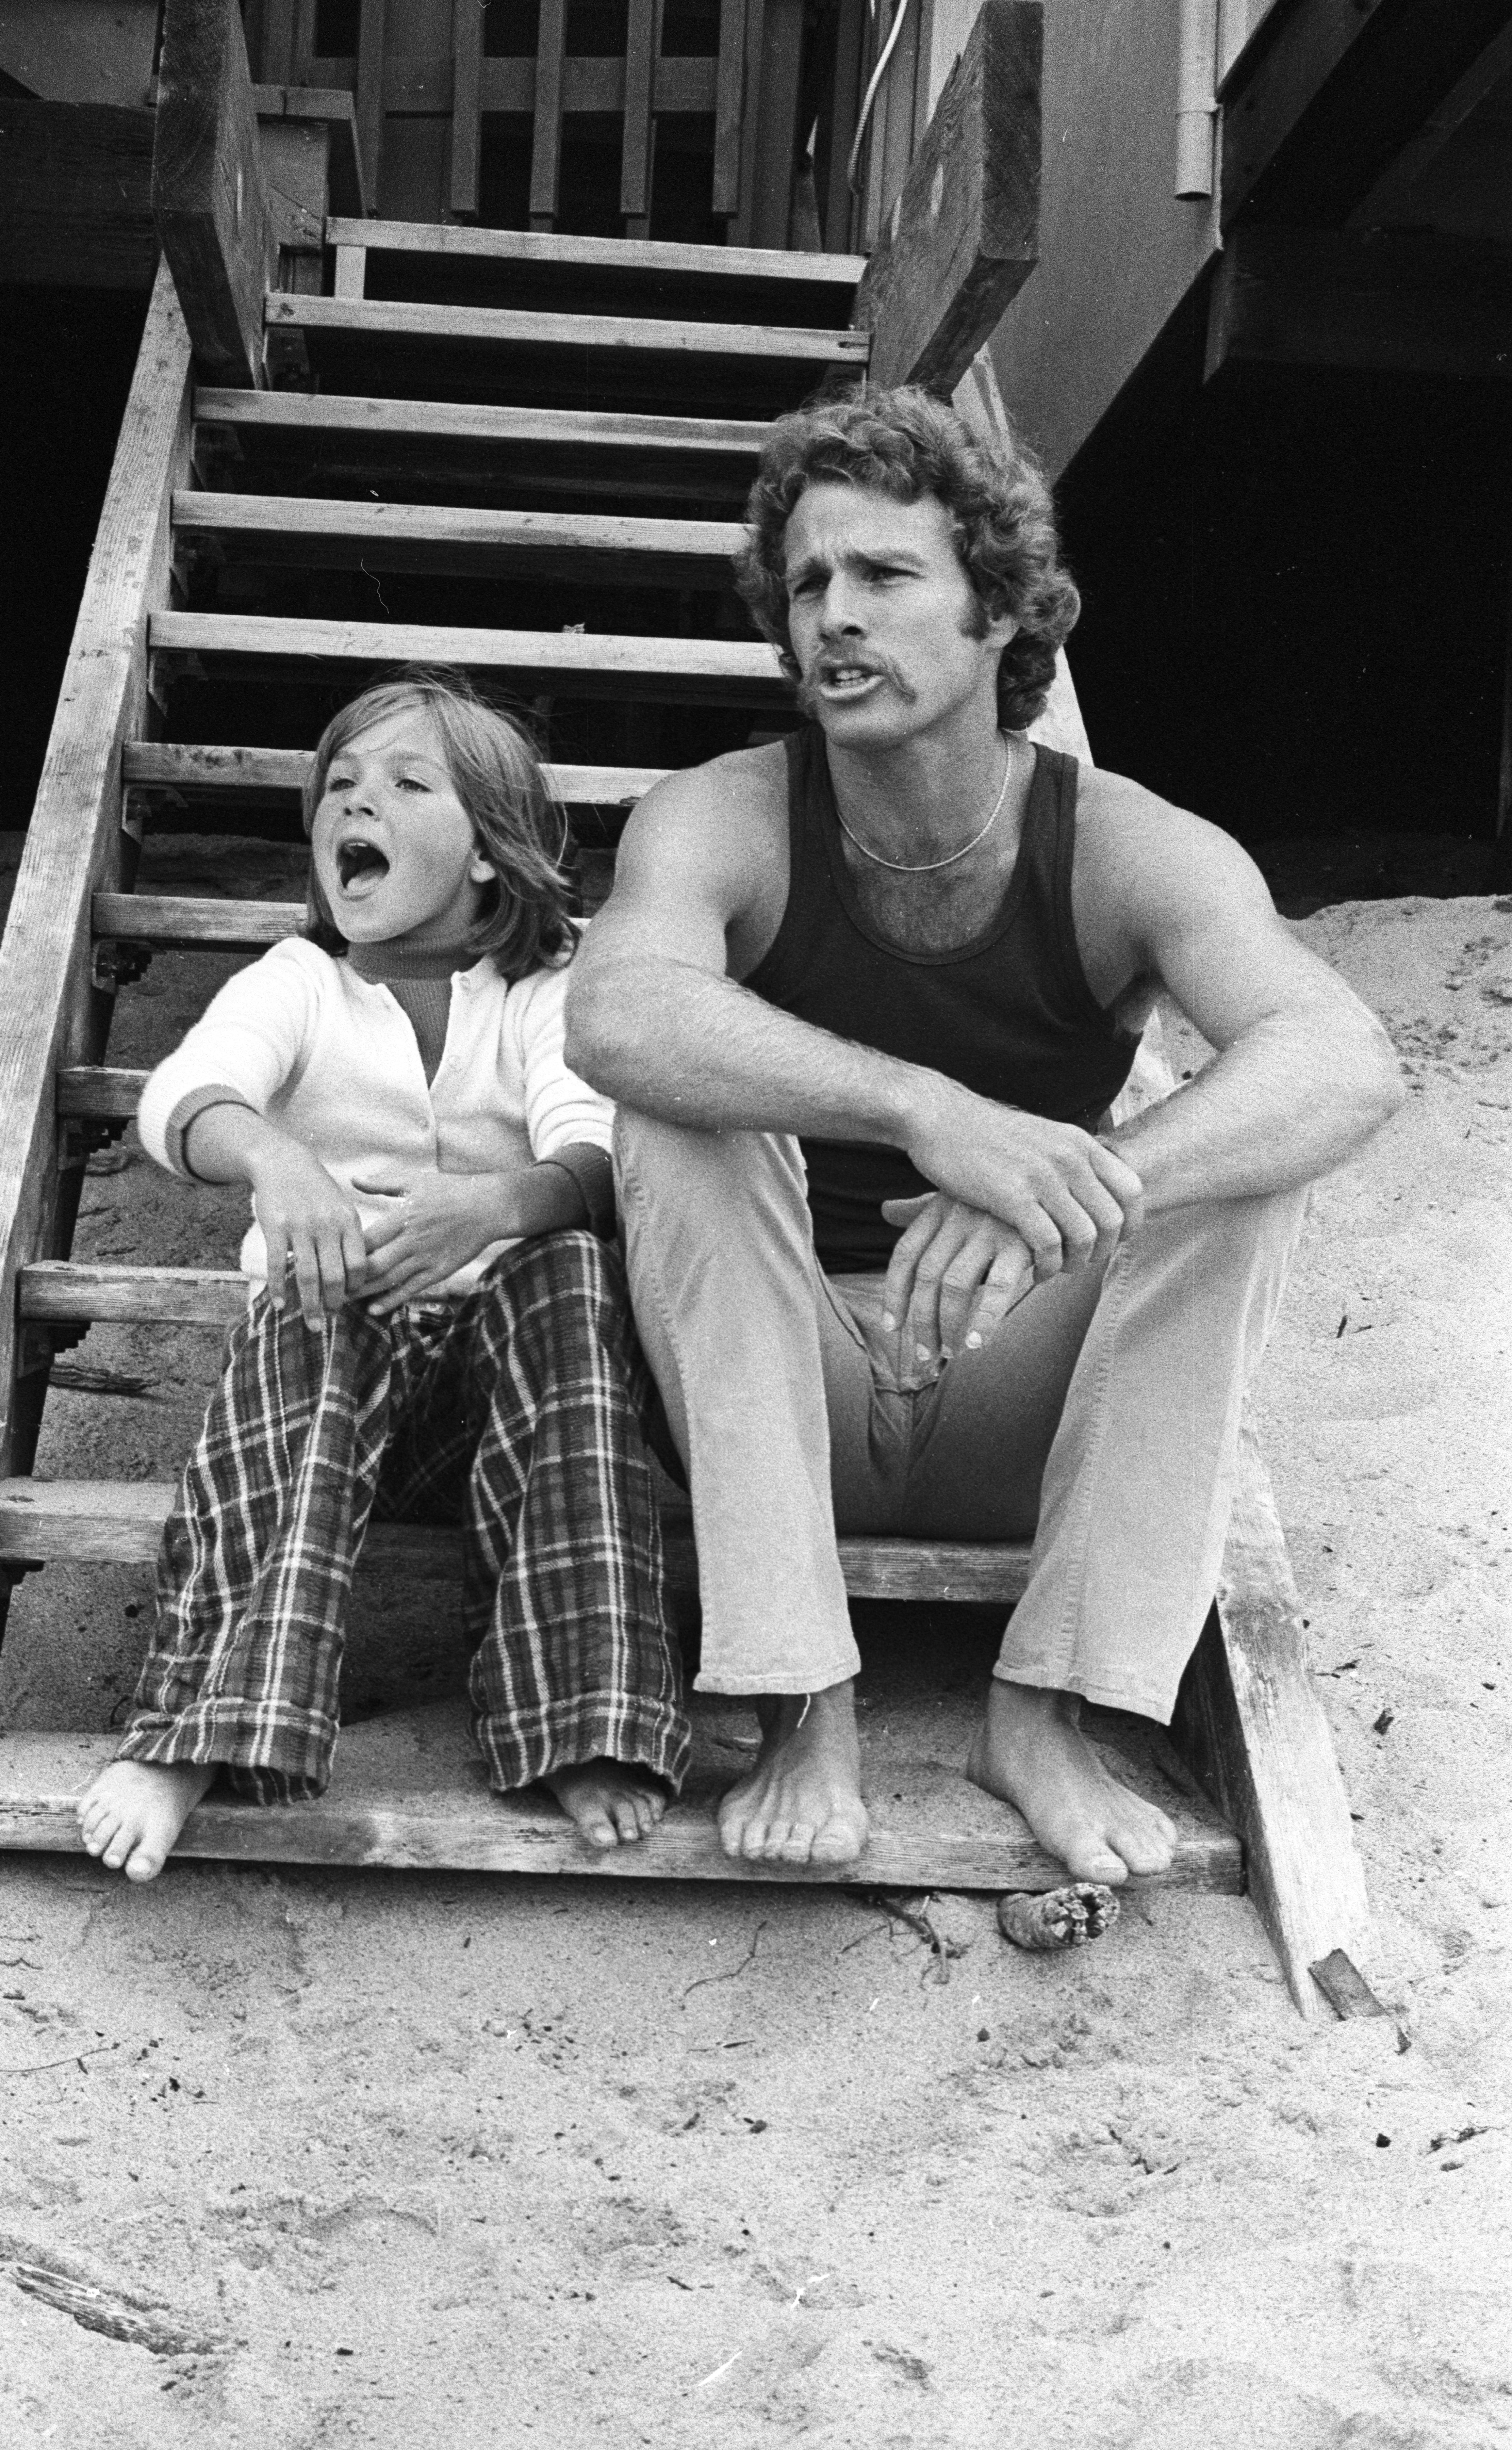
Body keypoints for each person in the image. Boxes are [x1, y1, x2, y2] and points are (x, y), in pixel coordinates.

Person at [565, 387, 1402, 1883]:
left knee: (1245, 1186)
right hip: (783, 1389)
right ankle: (800, 1699)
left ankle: (1045, 1710)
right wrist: (931, 1114)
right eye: (809, 583)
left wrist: (1065, 1194)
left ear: (1001, 612)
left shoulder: (1127, 843)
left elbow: (1345, 1059)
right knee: (680, 1115)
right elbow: (615, 1016)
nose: (835, 616)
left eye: (885, 577)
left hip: (1014, 1384)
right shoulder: (727, 815)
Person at [79, 668, 686, 1881]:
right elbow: (185, 1096)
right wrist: (272, 1158)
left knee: (569, 1271)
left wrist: (502, 1205)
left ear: (484, 855)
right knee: (321, 1289)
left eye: (409, 785)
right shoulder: (297, 982)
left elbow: (599, 1149)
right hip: (327, 1406)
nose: (360, 803)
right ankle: (202, 1722)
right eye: (341, 786)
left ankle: (580, 1714)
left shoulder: (547, 985)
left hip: (503, 1414)